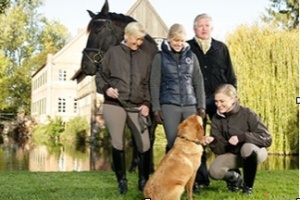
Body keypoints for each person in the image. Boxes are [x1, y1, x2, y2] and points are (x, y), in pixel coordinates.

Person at [96, 22, 153, 194]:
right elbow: (100, 76)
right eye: (136, 39)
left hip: (137, 106)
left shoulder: (145, 57)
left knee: (145, 144)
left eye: (141, 40)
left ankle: (143, 180)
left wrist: (147, 104)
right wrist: (106, 89)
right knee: (118, 143)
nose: (139, 43)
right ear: (127, 36)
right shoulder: (112, 53)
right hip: (114, 104)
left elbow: (147, 84)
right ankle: (121, 180)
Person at [187, 13, 237, 190]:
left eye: (207, 25)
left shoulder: (221, 48)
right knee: (196, 139)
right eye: (200, 25)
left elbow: (230, 76)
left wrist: (231, 100)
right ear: (194, 28)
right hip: (195, 100)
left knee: (225, 137)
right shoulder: (187, 47)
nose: (203, 28)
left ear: (211, 28)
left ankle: (232, 177)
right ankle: (200, 179)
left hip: (219, 101)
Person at [204, 84, 272, 194]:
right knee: (214, 171)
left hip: (255, 153)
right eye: (216, 101)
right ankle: (234, 179)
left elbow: (267, 138)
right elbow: (220, 151)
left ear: (233, 99)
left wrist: (243, 137)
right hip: (234, 155)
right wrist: (214, 142)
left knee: (247, 147)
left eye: (222, 101)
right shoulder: (216, 119)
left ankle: (247, 188)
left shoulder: (248, 114)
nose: (218, 105)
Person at [150, 23, 206, 153]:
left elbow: (198, 82)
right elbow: (154, 83)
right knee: (173, 143)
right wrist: (156, 108)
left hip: (190, 105)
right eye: (176, 40)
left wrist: (201, 106)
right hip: (169, 105)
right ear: (169, 39)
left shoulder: (192, 57)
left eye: (181, 40)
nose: (178, 44)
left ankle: (192, 173)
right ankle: (171, 172)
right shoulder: (159, 58)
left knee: (193, 142)